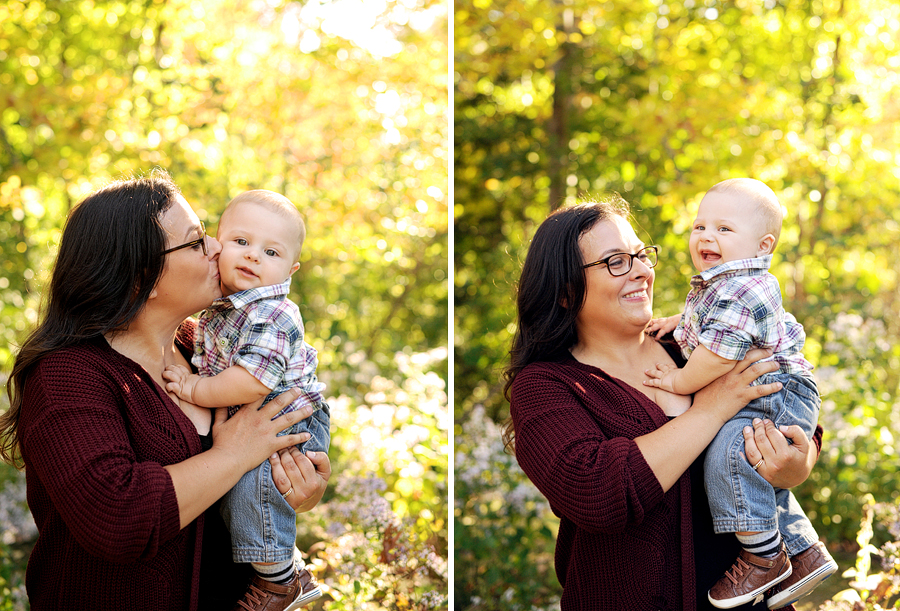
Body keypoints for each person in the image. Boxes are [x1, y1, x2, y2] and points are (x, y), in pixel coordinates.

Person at [0, 171, 330, 611]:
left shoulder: (204, 348)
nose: (217, 246)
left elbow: (254, 464)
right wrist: (233, 454)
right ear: (144, 276)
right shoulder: (67, 376)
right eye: (196, 242)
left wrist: (295, 487)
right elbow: (117, 518)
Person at [502, 195, 823, 611]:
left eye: (640, 255)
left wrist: (799, 462)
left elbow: (782, 395)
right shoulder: (546, 386)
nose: (640, 272)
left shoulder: (691, 347)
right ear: (565, 292)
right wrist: (710, 410)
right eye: (616, 261)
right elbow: (597, 493)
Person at [644, 178, 837, 608]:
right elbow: (711, 318)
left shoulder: (743, 287)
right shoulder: (724, 284)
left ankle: (763, 557)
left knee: (731, 456)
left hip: (780, 390)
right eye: (699, 226)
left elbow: (715, 356)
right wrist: (679, 320)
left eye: (724, 229)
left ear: (763, 245)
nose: (706, 236)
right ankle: (803, 553)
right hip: (774, 390)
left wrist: (676, 382)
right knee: (746, 462)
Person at [162, 189, 331, 610]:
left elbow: (254, 380)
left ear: (290, 269)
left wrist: (195, 388)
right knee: (243, 494)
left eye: (270, 251)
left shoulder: (271, 312)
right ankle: (284, 569)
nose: (253, 256)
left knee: (254, 490)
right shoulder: (221, 310)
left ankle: (280, 581)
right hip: (259, 416)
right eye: (241, 242)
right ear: (217, 245)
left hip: (288, 416)